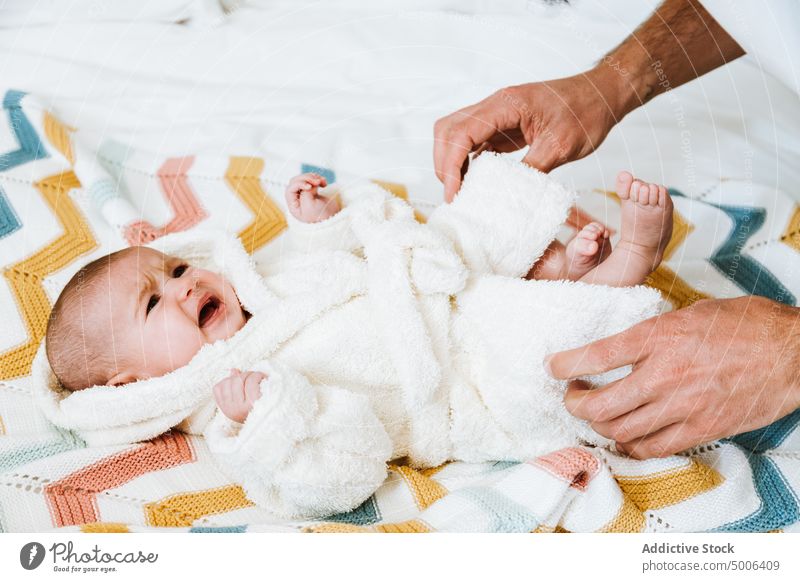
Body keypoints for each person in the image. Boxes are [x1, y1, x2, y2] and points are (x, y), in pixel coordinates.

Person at [37, 154, 670, 518]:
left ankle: (558, 269)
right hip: (455, 378)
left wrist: (321, 228)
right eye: (153, 303)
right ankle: (616, 272)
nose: (181, 286)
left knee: (470, 227)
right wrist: (272, 415)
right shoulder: (233, 414)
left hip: (424, 288)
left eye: (176, 270)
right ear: (131, 385)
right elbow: (338, 479)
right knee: (532, 347)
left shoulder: (255, 293)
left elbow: (325, 269)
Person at [433, 0, 800, 460]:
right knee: (553, 297)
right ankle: (622, 259)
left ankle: (627, 257)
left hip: (493, 331)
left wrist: (788, 349)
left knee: (559, 310)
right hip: (460, 322)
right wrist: (605, 87)